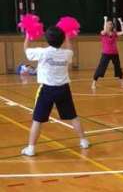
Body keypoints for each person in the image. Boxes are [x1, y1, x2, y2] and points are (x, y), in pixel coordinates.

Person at [21, 26, 89, 156]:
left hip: (47, 90)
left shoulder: (42, 52)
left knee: (37, 120)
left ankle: (31, 148)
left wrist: (28, 35)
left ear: (47, 39)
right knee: (73, 116)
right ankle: (84, 141)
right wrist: (67, 36)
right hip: (63, 89)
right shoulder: (68, 54)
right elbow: (69, 48)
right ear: (62, 40)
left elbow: (26, 50)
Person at [91, 16, 123, 90]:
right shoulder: (103, 33)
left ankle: (122, 82)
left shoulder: (114, 33)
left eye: (111, 24)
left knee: (118, 68)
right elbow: (105, 30)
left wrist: (121, 23)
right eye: (108, 24)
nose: (110, 25)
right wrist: (105, 20)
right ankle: (94, 83)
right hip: (106, 54)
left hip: (115, 53)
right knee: (101, 68)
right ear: (106, 25)